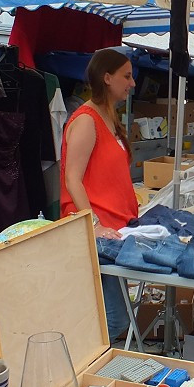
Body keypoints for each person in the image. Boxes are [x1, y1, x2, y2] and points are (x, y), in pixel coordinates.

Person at [60, 48, 138, 338]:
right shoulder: (86, 120)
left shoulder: (109, 119)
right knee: (115, 320)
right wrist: (93, 224)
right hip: (96, 237)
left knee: (116, 319)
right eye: (126, 76)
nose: (132, 83)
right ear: (107, 78)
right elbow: (72, 179)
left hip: (115, 232)